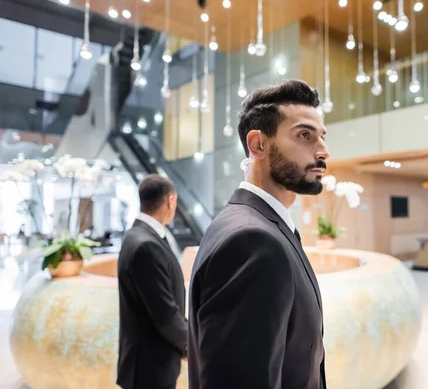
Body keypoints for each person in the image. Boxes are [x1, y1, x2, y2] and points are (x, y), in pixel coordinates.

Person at [188, 80, 329, 389]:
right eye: (305, 135)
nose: (322, 151)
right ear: (259, 145)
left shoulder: (258, 224)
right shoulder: (252, 241)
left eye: (321, 137)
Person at [117, 174, 187, 389]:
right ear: (170, 200)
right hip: (150, 367)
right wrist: (193, 347)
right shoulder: (146, 245)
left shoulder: (136, 235)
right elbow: (165, 314)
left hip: (146, 362)